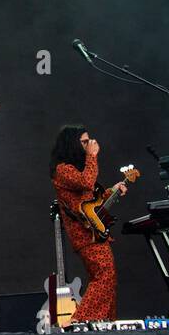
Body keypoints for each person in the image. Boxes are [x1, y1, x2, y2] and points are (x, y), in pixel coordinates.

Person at [50, 125, 127, 324]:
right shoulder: (62, 170)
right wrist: (92, 156)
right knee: (105, 274)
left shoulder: (76, 169)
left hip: (94, 229)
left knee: (107, 278)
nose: (89, 144)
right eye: (84, 141)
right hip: (84, 233)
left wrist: (113, 190)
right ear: (72, 144)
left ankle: (105, 323)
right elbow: (86, 182)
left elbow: (91, 200)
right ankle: (79, 321)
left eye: (89, 141)